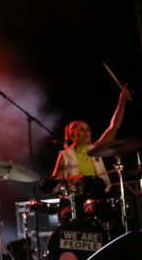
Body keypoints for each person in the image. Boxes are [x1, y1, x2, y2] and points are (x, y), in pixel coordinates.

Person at [51, 84, 131, 220]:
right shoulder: (64, 155)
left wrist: (121, 102)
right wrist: (71, 180)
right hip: (75, 201)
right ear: (72, 135)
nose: (86, 132)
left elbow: (114, 127)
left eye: (88, 129)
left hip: (99, 199)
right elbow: (54, 183)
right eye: (81, 129)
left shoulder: (96, 149)